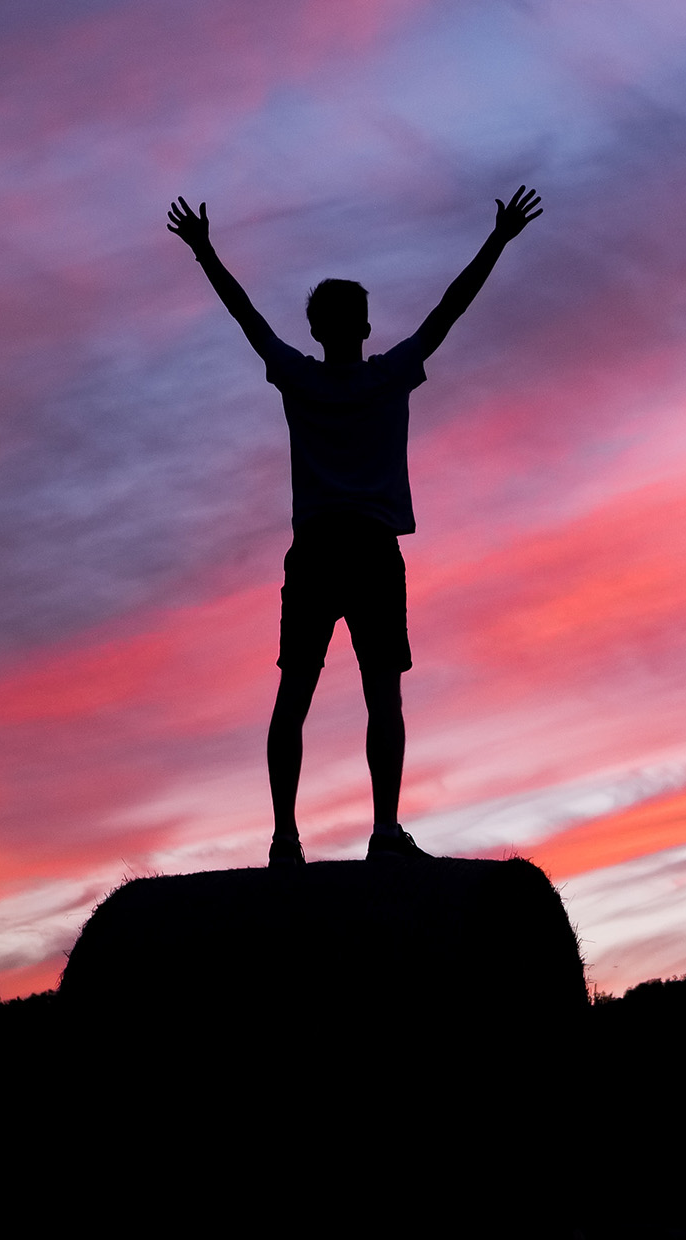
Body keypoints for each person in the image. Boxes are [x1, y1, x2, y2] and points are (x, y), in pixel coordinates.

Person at [167, 187, 542, 865]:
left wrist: (203, 250)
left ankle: (285, 837)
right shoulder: (389, 375)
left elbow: (245, 315)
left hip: (314, 551)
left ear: (317, 331)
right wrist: (500, 238)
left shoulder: (296, 376)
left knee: (294, 695)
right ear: (365, 326)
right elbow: (450, 310)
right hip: (370, 549)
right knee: (382, 697)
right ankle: (384, 833)